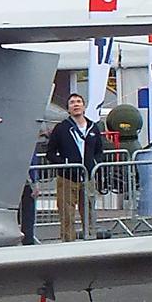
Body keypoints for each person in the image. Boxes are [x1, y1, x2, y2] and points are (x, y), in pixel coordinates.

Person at [44, 93, 103, 242]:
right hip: (67, 177)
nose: (76, 105)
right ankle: (68, 241)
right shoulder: (61, 128)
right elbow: (50, 152)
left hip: (87, 176)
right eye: (72, 102)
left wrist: (94, 164)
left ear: (84, 106)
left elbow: (99, 150)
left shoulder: (93, 127)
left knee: (89, 210)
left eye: (78, 102)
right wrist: (64, 163)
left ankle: (90, 237)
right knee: (66, 213)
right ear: (68, 108)